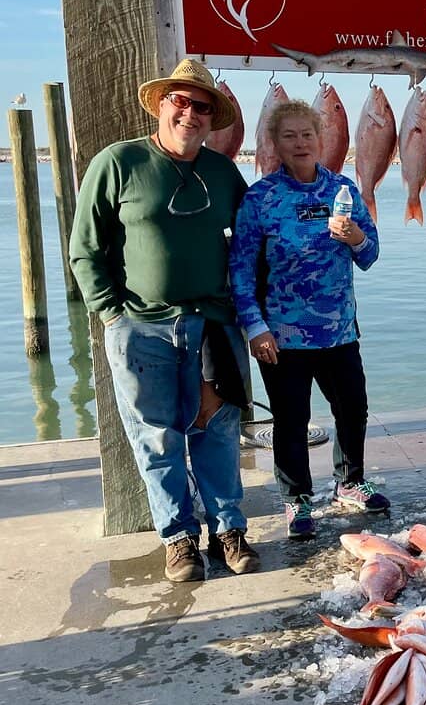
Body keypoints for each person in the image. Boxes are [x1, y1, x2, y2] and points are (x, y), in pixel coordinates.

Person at [69, 59, 259, 583]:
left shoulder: (223, 172)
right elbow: (85, 249)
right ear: (160, 104)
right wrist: (111, 314)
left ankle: (229, 530)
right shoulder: (117, 162)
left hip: (213, 325)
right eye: (180, 100)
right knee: (155, 437)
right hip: (139, 328)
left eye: (202, 106)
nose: (190, 113)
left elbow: (250, 244)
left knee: (217, 431)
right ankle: (177, 538)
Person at [229, 99, 389, 540]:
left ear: (322, 140)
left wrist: (357, 237)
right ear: (274, 143)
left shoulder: (343, 190)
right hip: (282, 335)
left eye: (307, 135)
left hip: (339, 329)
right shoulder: (260, 198)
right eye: (289, 136)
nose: (300, 143)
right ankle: (296, 498)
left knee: (353, 409)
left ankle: (351, 483)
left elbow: (371, 255)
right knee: (290, 419)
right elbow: (240, 270)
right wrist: (254, 326)